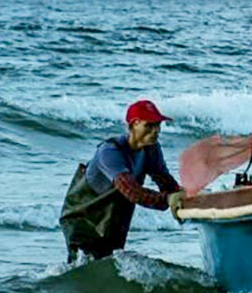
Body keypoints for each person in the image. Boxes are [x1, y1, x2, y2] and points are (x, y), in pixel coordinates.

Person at [59, 100, 186, 263]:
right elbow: (130, 190)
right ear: (133, 125)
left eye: (158, 125)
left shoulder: (151, 149)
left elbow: (165, 181)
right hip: (83, 219)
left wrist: (182, 197)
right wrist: (167, 199)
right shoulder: (110, 151)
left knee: (109, 264)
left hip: (113, 219)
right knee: (84, 266)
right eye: (149, 125)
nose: (156, 131)